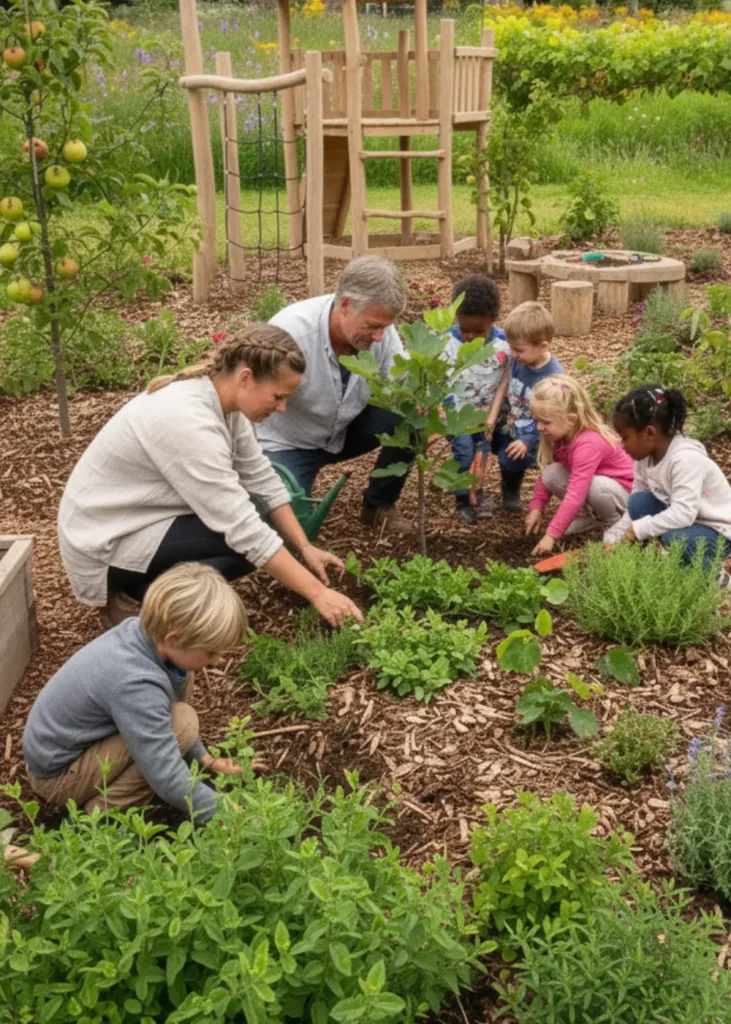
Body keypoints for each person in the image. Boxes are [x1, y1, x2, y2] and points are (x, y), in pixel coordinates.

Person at [58, 326, 362, 629]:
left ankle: (154, 590)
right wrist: (318, 593)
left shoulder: (226, 405)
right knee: (243, 543)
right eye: (278, 396)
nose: (282, 408)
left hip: (135, 519)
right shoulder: (188, 421)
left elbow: (261, 478)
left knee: (259, 522)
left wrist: (304, 548)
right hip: (104, 542)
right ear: (245, 378)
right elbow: (242, 528)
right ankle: (136, 599)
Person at [24, 563, 252, 822]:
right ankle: (98, 819)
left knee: (179, 718)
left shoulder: (144, 634)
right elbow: (165, 773)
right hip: (58, 776)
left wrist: (206, 761)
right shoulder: (136, 683)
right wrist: (227, 816)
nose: (216, 661)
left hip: (68, 751)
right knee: (181, 724)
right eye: (211, 652)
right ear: (173, 639)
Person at [257, 256, 413, 535]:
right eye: (372, 326)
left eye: (385, 327)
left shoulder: (380, 330)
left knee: (412, 413)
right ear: (345, 305)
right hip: (289, 442)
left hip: (345, 430)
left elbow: (401, 385)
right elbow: (250, 402)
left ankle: (378, 505)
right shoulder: (291, 334)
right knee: (287, 524)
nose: (379, 337)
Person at [605, 385, 731, 584]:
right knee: (638, 502)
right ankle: (650, 562)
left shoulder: (685, 459)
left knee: (676, 539)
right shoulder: (644, 458)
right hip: (687, 520)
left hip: (716, 529)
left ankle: (716, 579)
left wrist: (638, 529)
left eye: (625, 437)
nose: (622, 445)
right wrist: (616, 534)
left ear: (649, 433)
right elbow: (635, 505)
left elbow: (684, 513)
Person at [525, 376, 634, 556]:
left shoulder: (588, 444)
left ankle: (615, 523)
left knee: (596, 486)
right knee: (551, 473)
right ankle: (585, 518)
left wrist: (551, 536)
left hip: (626, 495)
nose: (539, 427)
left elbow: (575, 495)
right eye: (537, 420)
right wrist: (536, 508)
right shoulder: (563, 437)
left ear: (571, 419)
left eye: (546, 422)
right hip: (603, 487)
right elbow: (547, 478)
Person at [444, 274, 510, 526]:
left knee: (481, 454)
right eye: (464, 329)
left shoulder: (504, 344)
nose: (470, 336)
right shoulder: (446, 342)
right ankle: (462, 500)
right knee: (463, 454)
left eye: (479, 331)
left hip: (487, 416)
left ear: (493, 320)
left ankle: (477, 494)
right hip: (457, 416)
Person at [491, 301, 564, 510]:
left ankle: (512, 491)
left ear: (542, 346)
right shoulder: (519, 359)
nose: (513, 354)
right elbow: (505, 383)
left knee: (511, 457)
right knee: (490, 444)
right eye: (511, 347)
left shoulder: (553, 377)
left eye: (519, 350)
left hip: (537, 434)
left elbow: (553, 419)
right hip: (513, 422)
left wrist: (528, 440)